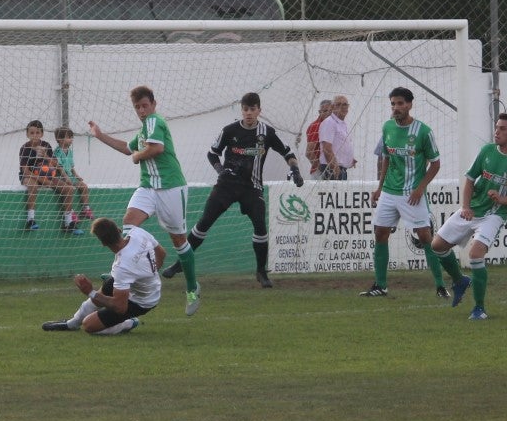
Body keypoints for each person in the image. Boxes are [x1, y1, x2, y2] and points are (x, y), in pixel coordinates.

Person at [161, 92, 303, 288]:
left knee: (260, 227)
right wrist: (220, 170)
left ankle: (261, 272)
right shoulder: (229, 130)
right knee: (204, 223)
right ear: (241, 110)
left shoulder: (267, 133)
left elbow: (287, 152)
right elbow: (212, 153)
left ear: (259, 111)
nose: (249, 113)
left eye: (253, 109)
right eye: (245, 109)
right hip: (226, 186)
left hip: (252, 187)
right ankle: (180, 264)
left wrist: (294, 169)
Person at [89, 85, 201, 315]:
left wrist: (138, 156)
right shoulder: (144, 131)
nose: (141, 110)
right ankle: (132, 269)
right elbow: (127, 148)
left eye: (144, 105)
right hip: (149, 186)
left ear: (153, 104)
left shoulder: (154, 121)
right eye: (137, 107)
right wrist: (100, 136)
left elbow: (156, 149)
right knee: (129, 223)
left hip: (170, 187)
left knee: (179, 239)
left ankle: (192, 287)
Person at [430, 113, 507, 320]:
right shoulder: (486, 151)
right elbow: (470, 179)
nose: (497, 131)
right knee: (437, 245)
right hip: (472, 209)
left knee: (476, 254)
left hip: (494, 215)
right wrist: (466, 207)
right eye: (496, 127)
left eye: (503, 128)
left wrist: (503, 200)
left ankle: (479, 308)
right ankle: (460, 280)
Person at [361, 87, 447, 298]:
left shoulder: (423, 131)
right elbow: (386, 159)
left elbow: (435, 164)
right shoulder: (387, 127)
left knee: (425, 237)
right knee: (380, 233)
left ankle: (440, 285)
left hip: (411, 193)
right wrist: (379, 187)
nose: (396, 107)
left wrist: (420, 188)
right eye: (393, 103)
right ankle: (380, 285)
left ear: (410, 104)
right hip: (389, 191)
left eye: (400, 103)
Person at [41, 217, 164, 335]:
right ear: (119, 230)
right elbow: (162, 253)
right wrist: (148, 273)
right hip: (140, 284)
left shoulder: (122, 267)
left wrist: (90, 292)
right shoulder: (138, 232)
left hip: (144, 301)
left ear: (103, 243)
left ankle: (129, 323)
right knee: (102, 293)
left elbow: (120, 307)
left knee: (89, 325)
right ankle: (72, 323)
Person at [18, 119, 81, 234]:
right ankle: (31, 219)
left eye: (37, 133)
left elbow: (55, 164)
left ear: (42, 134)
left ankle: (68, 223)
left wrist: (46, 156)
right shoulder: (25, 149)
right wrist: (43, 180)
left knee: (69, 189)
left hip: (46, 176)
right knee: (33, 186)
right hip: (30, 176)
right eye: (32, 133)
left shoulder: (46, 145)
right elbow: (25, 171)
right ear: (27, 134)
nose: (35, 135)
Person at [53, 126, 94, 220]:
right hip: (61, 177)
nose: (71, 139)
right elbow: (58, 166)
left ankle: (86, 209)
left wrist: (76, 176)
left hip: (69, 176)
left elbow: (71, 166)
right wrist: (65, 177)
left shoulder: (70, 151)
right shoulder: (57, 152)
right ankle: (71, 212)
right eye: (69, 137)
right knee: (70, 189)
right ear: (60, 139)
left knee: (83, 186)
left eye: (72, 137)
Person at [317, 95, 356, 180]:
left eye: (345, 104)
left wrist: (349, 159)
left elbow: (340, 145)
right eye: (338, 104)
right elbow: (327, 149)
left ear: (348, 107)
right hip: (332, 169)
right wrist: (336, 171)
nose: (342, 107)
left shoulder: (343, 124)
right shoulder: (329, 123)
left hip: (341, 169)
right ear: (332, 107)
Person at [305, 98, 332, 177]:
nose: (328, 113)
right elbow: (309, 153)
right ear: (319, 112)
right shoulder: (316, 126)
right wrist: (323, 170)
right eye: (324, 111)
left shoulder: (332, 125)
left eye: (330, 111)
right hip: (320, 172)